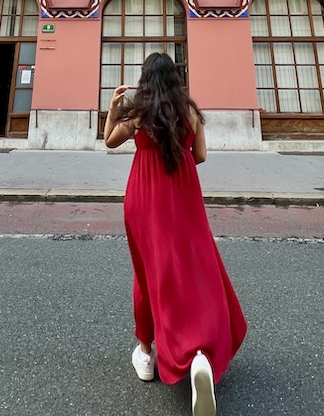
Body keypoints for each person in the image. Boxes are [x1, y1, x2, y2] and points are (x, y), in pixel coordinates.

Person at [104, 52, 247, 416]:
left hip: (144, 197)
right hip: (184, 196)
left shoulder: (138, 112)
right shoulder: (191, 112)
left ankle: (147, 353)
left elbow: (109, 141)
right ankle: (200, 353)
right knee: (195, 267)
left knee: (150, 271)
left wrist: (112, 106)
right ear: (175, 77)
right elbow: (199, 156)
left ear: (145, 80)